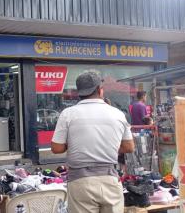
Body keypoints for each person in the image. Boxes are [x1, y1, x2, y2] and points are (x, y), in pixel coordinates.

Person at [51, 72, 135, 213]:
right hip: (110, 180)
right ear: (99, 90)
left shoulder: (68, 114)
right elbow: (129, 147)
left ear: (79, 92)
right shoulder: (118, 114)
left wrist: (74, 143)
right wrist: (109, 145)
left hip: (80, 182)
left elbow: (56, 148)